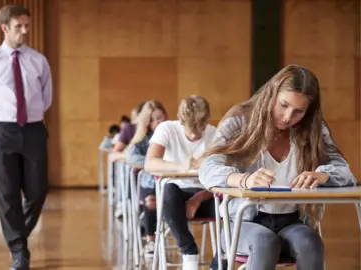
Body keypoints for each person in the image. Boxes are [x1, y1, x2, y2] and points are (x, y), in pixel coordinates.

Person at [199, 64, 357, 270]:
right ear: (271, 94)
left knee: (311, 243)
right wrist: (244, 180)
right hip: (244, 222)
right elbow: (207, 168)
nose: (287, 117)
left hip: (293, 221)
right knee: (264, 243)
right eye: (283, 105)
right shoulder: (240, 120)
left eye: (298, 111)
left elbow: (345, 171)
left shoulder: (314, 129)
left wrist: (322, 176)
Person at [0, 4, 52, 270]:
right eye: (19, 26)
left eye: (27, 25)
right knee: (7, 194)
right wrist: (2, 121)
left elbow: (46, 97)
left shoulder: (38, 60)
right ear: (4, 28)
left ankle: (17, 234)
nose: (25, 30)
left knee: (38, 191)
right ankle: (19, 251)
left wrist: (29, 120)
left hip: (33, 130)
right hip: (3, 130)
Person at [145, 95, 224, 270]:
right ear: (181, 120)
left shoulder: (213, 133)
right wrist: (181, 165)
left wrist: (199, 197)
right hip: (176, 197)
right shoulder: (167, 129)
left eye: (200, 126)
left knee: (232, 209)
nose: (196, 132)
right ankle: (189, 251)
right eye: (191, 126)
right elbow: (150, 163)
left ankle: (219, 263)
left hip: (206, 195)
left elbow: (222, 177)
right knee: (169, 190)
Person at [125, 100, 167, 259]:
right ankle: (151, 239)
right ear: (146, 122)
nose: (157, 122)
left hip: (170, 182)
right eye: (152, 119)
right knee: (151, 201)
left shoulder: (171, 132)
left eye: (160, 117)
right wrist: (157, 162)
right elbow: (132, 158)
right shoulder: (143, 139)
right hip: (149, 183)